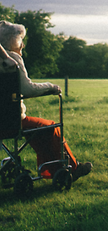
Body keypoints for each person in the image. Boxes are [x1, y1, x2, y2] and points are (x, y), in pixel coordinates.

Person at [0, 20, 92, 181]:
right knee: (50, 126)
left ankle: (52, 170)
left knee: (38, 129)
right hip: (10, 123)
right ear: (12, 41)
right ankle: (72, 168)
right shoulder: (12, 60)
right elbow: (27, 90)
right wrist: (51, 87)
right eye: (21, 40)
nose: (23, 45)